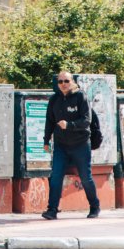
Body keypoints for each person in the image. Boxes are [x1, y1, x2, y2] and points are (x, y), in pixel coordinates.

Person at [41, 70, 101, 220]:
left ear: (72, 81)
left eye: (66, 81)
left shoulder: (81, 97)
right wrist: (46, 140)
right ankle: (52, 210)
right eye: (60, 82)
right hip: (61, 145)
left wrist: (69, 125)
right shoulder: (54, 100)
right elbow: (49, 121)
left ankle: (94, 206)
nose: (63, 84)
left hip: (80, 144)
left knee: (85, 177)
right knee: (55, 177)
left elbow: (86, 120)